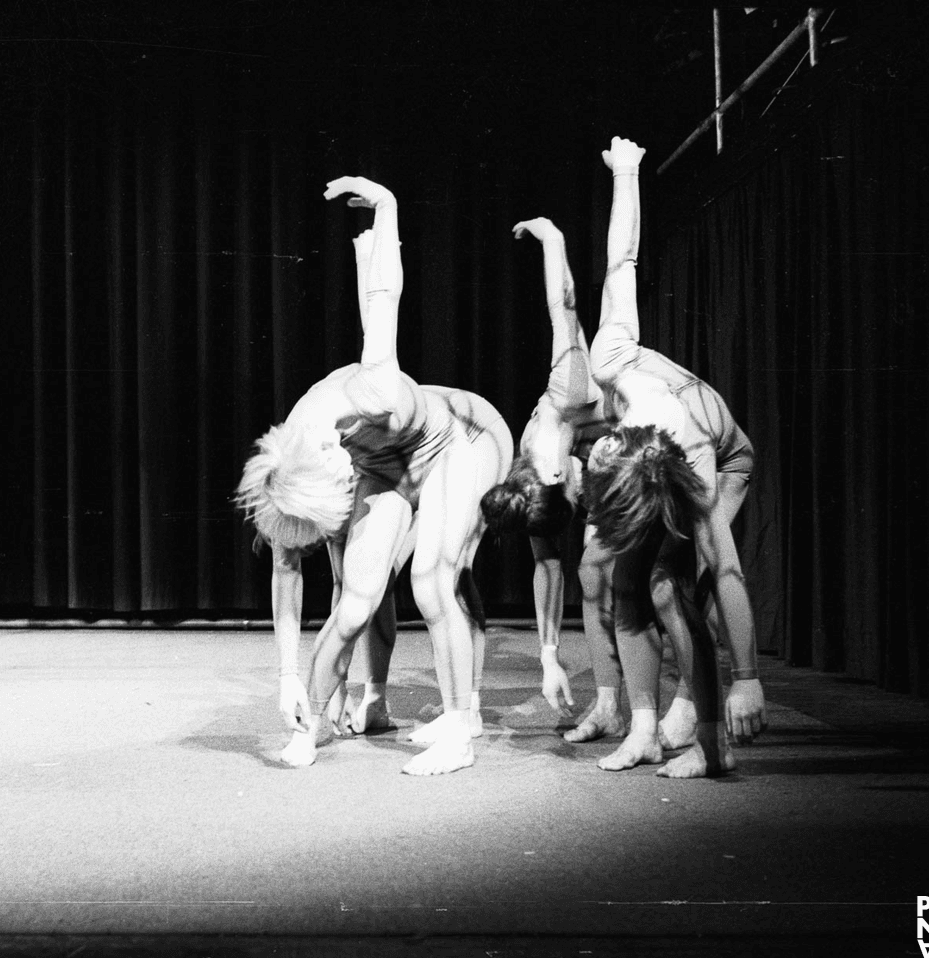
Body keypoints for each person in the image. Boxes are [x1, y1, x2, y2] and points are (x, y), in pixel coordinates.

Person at [236, 176, 512, 776]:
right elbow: (287, 563)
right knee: (357, 601)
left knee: (431, 578)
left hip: (454, 446)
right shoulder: (297, 459)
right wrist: (288, 679)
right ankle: (311, 726)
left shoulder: (374, 388)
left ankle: (461, 730)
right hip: (389, 469)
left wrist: (388, 206)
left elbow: (382, 295)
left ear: (335, 468)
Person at [580, 137, 766, 778]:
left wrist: (748, 678)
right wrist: (628, 172)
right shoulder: (612, 357)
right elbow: (620, 260)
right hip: (661, 453)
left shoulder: (687, 460)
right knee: (623, 583)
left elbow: (727, 565)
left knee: (669, 588)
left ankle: (712, 741)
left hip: (724, 454)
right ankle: (642, 731)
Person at [485, 217, 703, 753]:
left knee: (661, 581)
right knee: (588, 573)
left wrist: (553, 239)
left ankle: (693, 701)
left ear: (561, 478)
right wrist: (547, 654)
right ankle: (608, 704)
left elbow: (565, 308)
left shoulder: (571, 386)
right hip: (612, 468)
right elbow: (544, 563)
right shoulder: (528, 481)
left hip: (664, 445)